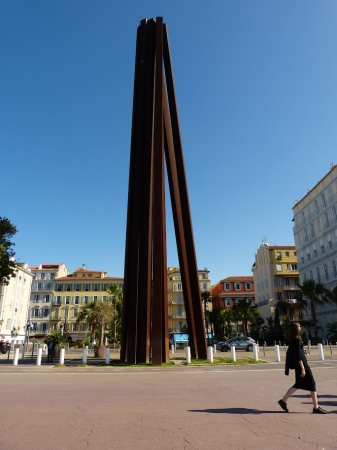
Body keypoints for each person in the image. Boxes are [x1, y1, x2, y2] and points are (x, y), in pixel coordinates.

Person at [278, 322, 328, 414]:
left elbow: (299, 350)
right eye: (299, 326)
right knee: (312, 384)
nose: (300, 327)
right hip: (302, 365)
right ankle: (316, 407)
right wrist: (302, 368)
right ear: (296, 329)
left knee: (298, 384)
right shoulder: (296, 340)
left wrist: (305, 351)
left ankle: (283, 401)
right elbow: (297, 356)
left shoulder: (294, 339)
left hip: (300, 365)